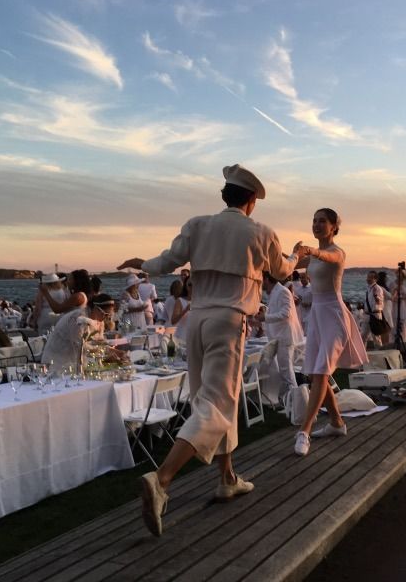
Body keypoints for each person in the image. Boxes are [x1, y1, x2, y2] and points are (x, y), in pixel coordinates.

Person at [118, 163, 302, 537]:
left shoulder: (197, 224)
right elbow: (282, 271)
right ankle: (162, 480)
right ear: (252, 200)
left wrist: (141, 264)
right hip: (228, 321)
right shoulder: (261, 232)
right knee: (217, 405)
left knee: (213, 400)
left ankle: (227, 477)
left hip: (197, 321)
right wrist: (300, 257)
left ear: (224, 196)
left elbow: (165, 262)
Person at [292, 208, 368, 457]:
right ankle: (336, 423)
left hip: (334, 315)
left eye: (322, 221)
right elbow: (286, 266)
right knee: (316, 374)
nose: (316, 224)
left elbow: (328, 258)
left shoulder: (336, 252)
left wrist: (309, 251)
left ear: (334, 226)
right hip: (316, 315)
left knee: (322, 370)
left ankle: (304, 431)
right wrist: (290, 254)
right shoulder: (313, 257)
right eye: (313, 220)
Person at [40, 293, 122, 372]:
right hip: (56, 362)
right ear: (95, 308)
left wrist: (114, 351)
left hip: (77, 363)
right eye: (105, 314)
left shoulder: (100, 321)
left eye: (109, 315)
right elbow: (80, 346)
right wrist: (106, 354)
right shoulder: (77, 319)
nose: (106, 318)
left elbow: (99, 343)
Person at [256, 271, 304, 406]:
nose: (260, 284)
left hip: (284, 337)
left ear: (266, 279)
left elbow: (286, 313)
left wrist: (265, 317)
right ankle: (285, 400)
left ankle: (296, 404)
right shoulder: (275, 292)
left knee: (287, 373)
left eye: (261, 280)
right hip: (278, 337)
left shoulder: (282, 291)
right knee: (283, 372)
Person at [365, 270, 389, 345]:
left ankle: (380, 351)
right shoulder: (369, 288)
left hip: (374, 315)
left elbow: (379, 302)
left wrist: (377, 299)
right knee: (363, 335)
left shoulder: (377, 288)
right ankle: (362, 354)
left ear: (375, 279)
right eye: (368, 277)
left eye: (371, 277)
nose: (368, 279)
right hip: (368, 315)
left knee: (376, 337)